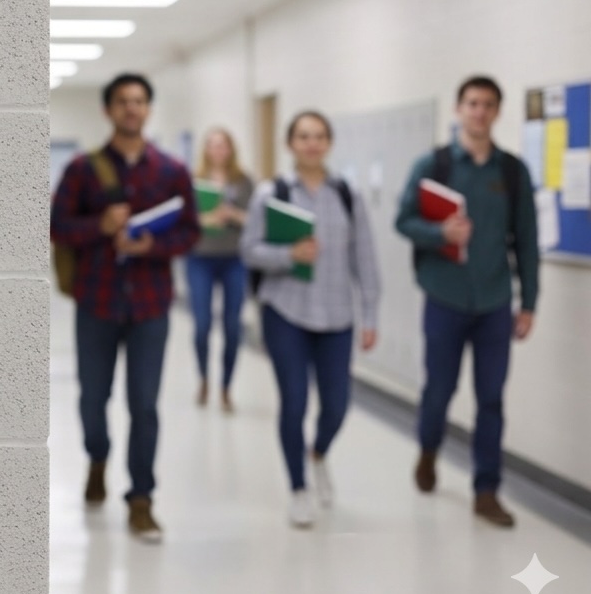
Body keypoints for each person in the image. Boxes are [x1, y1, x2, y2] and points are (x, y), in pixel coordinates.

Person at [50, 72, 201, 543]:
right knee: (92, 399)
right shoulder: (82, 169)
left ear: (148, 109)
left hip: (150, 306)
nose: (131, 108)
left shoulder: (172, 171)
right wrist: (99, 225)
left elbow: (190, 232)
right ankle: (97, 457)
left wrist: (152, 245)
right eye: (122, 101)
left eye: (139, 101)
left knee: (144, 406)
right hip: (96, 302)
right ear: (108, 110)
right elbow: (57, 227)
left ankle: (141, 499)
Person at [394, 75, 539, 528]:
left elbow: (527, 241)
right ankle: (428, 449)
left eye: (488, 104)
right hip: (445, 297)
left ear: (497, 112)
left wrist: (529, 302)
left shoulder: (511, 172)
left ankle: (486, 490)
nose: (480, 111)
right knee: (439, 390)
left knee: (491, 399)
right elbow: (403, 220)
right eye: (472, 103)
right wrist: (440, 232)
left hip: (494, 302)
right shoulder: (433, 165)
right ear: (459, 109)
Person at [240, 110, 381, 528]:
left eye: (319, 136)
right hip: (286, 312)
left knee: (337, 405)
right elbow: (249, 250)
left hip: (337, 315)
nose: (312, 143)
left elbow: (365, 258)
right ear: (291, 144)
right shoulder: (272, 194)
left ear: (329, 142)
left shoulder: (347, 194)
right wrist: (288, 255)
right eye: (303, 136)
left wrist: (370, 314)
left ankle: (317, 453)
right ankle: (298, 488)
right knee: (294, 402)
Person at [186, 128, 254, 413]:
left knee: (232, 326)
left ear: (231, 149)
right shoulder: (193, 181)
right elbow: (184, 219)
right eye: (213, 145)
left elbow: (257, 220)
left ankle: (226, 386)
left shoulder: (244, 182)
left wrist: (233, 214)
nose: (218, 150)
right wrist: (205, 219)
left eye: (223, 145)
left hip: (234, 259)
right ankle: (203, 378)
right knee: (202, 324)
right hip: (200, 258)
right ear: (205, 149)